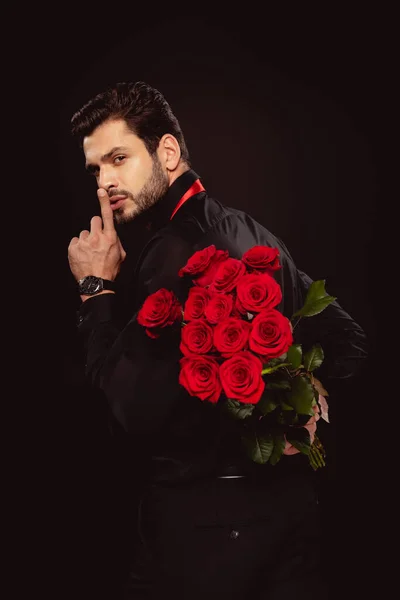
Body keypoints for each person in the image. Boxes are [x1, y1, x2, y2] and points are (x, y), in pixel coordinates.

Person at [67, 81, 368, 599]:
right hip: (286, 518)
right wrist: (310, 390)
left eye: (118, 158)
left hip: (205, 535)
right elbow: (349, 342)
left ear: (167, 151)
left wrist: (96, 289)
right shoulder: (252, 233)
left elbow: (127, 413)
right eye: (96, 169)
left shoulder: (173, 249)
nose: (105, 183)